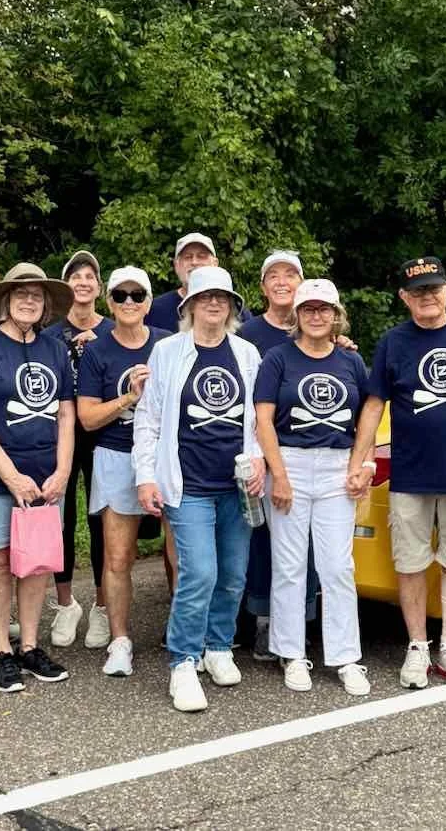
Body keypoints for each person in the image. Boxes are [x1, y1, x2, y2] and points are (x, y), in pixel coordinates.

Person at [348, 256, 446, 690]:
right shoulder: (394, 343)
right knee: (411, 564)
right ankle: (417, 648)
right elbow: (374, 405)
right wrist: (359, 463)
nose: (427, 298)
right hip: (411, 476)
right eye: (417, 292)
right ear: (404, 298)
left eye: (434, 289)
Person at [134, 266, 264, 712]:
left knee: (233, 574)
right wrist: (145, 476)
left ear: (231, 306)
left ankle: (218, 646)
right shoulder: (167, 352)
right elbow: (149, 421)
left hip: (237, 485)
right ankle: (184, 661)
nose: (214, 304)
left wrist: (261, 460)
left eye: (222, 298)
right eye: (205, 297)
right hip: (187, 483)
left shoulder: (247, 354)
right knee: (200, 573)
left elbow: (258, 420)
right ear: (189, 305)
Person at [0, 263, 75, 692]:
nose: (29, 300)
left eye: (37, 295)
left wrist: (63, 470)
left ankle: (29, 645)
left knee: (36, 563)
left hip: (46, 477)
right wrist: (12, 477)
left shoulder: (55, 349)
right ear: (5, 301)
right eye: (21, 293)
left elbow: (65, 413)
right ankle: (2, 651)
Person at [255, 279, 371, 696]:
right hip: (291, 464)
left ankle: (345, 657)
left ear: (335, 314)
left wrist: (363, 465)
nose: (316, 316)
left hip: (338, 466)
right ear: (297, 315)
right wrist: (279, 474)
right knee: (289, 567)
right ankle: (291, 653)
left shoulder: (351, 362)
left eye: (324, 309)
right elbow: (263, 420)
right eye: (308, 309)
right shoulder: (278, 359)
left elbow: (367, 419)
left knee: (337, 567)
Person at [75, 266, 170, 676]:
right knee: (118, 557)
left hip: (168, 458)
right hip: (115, 455)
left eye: (137, 295)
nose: (129, 302)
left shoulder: (170, 345)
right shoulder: (98, 351)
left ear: (149, 302)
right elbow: (87, 418)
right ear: (108, 302)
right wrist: (129, 399)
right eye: (120, 295)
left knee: (180, 555)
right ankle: (119, 641)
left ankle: (185, 640)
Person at [238, 250, 318, 661]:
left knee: (302, 544)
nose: (282, 281)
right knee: (261, 540)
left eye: (291, 274)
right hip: (259, 453)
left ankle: (301, 623)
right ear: (263, 286)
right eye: (274, 275)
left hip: (306, 455)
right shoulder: (248, 334)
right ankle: (263, 620)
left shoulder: (318, 328)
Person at [43, 250, 114, 649]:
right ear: (66, 286)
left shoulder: (112, 329)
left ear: (99, 287)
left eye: (90, 276)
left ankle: (103, 605)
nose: (83, 282)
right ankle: (66, 602)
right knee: (62, 517)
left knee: (101, 518)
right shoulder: (51, 333)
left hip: (102, 431)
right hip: (61, 431)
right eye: (75, 275)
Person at [145, 232, 252, 334]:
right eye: (188, 257)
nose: (194, 262)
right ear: (176, 265)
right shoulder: (156, 310)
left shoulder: (237, 312)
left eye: (201, 256)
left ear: (215, 263)